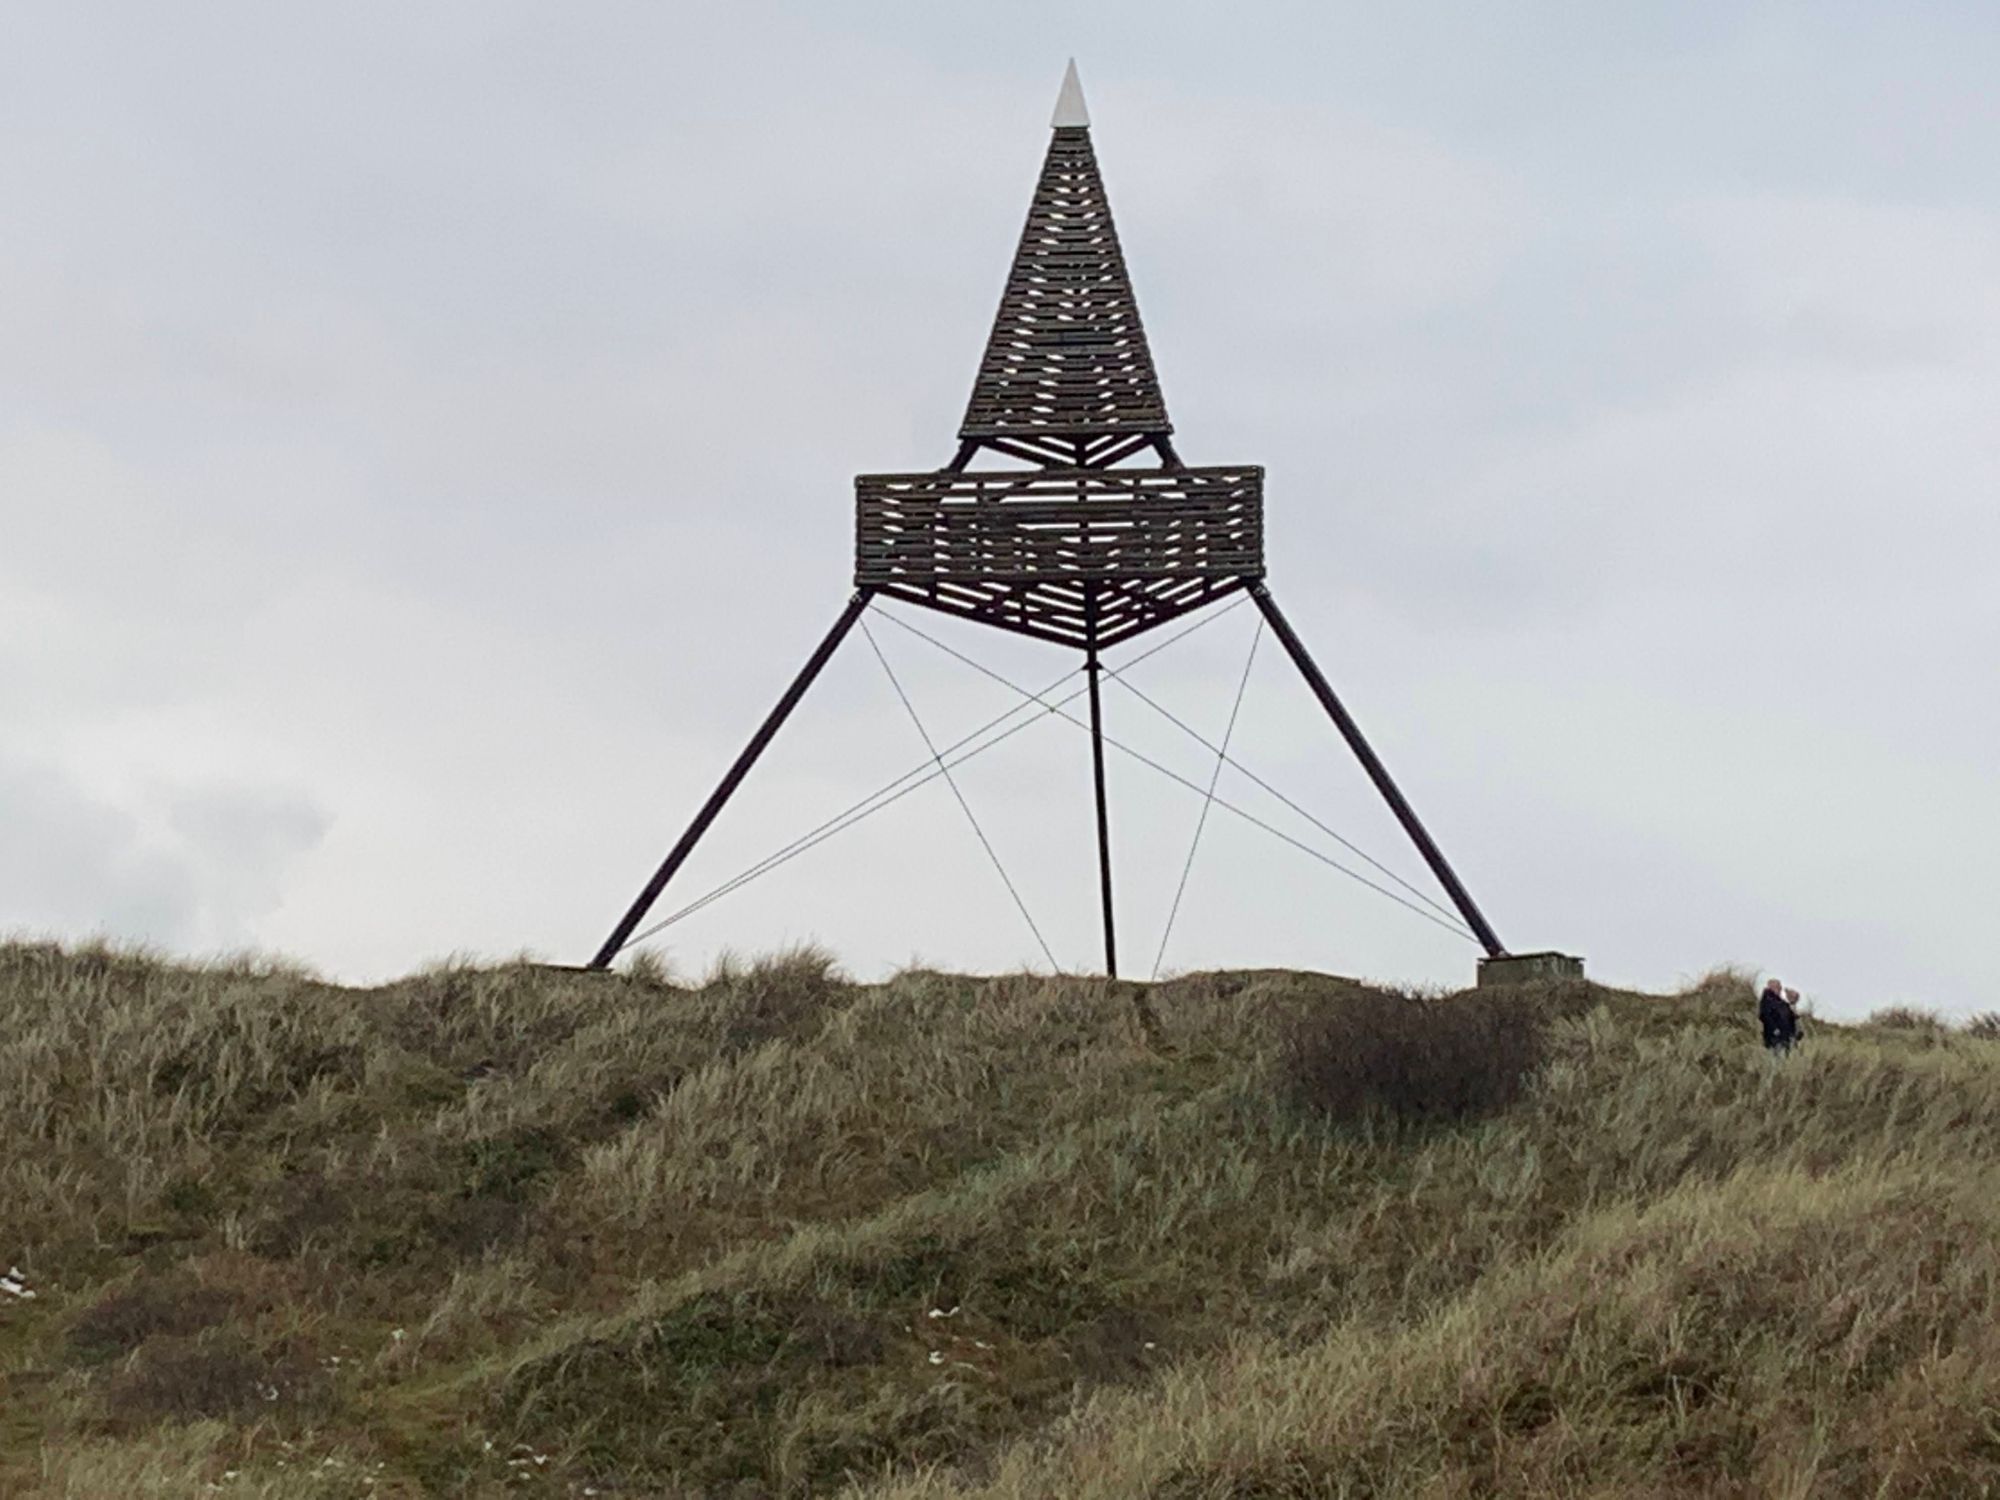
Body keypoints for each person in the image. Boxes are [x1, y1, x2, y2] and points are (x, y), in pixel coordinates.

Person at [1759, 977, 1800, 1054]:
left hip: (1785, 1037)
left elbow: (1791, 1016)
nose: (1780, 988)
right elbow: (1765, 1016)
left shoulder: (1780, 1002)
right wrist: (1775, 1029)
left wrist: (1792, 1003)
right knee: (1777, 1059)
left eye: (1780, 986)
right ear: (1771, 987)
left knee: (1786, 1059)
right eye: (1778, 986)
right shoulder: (1767, 1000)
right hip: (1775, 1038)